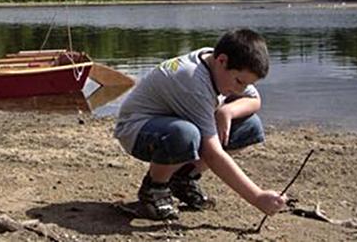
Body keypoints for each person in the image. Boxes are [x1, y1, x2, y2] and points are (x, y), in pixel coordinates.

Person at [114, 28, 287, 220]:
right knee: (185, 134)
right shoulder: (193, 80)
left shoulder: (220, 62)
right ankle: (155, 189)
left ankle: (183, 178)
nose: (241, 89)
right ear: (222, 61)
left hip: (175, 124)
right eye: (239, 81)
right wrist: (257, 197)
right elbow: (213, 155)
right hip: (137, 130)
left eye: (246, 84)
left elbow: (255, 101)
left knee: (250, 126)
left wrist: (226, 111)